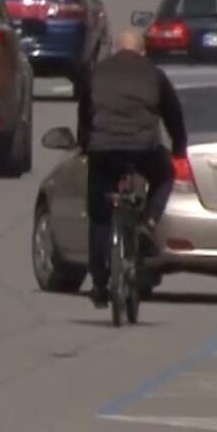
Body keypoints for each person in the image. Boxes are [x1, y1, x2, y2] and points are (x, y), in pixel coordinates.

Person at [77, 30, 187, 309]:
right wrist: (179, 148)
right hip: (143, 150)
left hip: (103, 150)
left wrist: (85, 145)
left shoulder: (98, 73)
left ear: (116, 50)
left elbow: (85, 114)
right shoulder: (154, 74)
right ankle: (147, 223)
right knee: (164, 176)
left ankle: (99, 282)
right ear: (142, 52)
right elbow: (173, 114)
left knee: (99, 214)